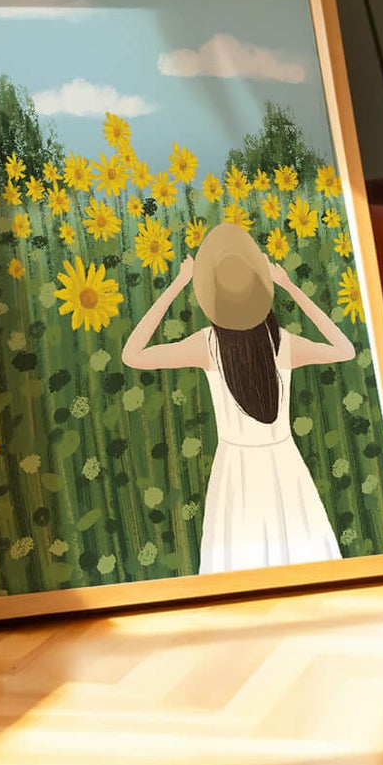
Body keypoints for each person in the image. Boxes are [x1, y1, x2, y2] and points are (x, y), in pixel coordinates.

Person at [122, 222, 354, 574]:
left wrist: (176, 285)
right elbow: (345, 349)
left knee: (236, 565)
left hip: (235, 470)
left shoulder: (207, 345)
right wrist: (290, 287)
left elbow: (132, 354)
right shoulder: (283, 343)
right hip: (285, 464)